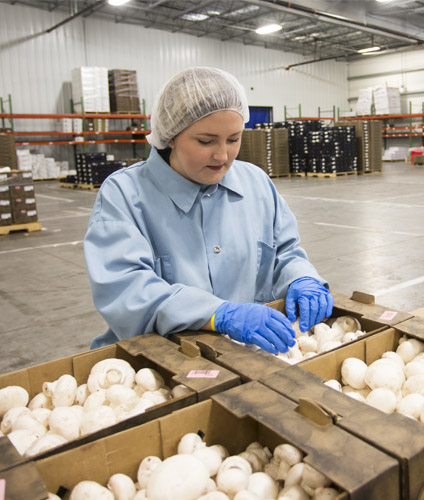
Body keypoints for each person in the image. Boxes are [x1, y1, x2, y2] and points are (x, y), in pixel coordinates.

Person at [84, 67, 333, 353]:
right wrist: (216, 314)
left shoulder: (256, 184)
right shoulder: (125, 195)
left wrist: (301, 277)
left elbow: (284, 253)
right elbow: (125, 290)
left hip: (245, 354)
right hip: (162, 360)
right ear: (171, 135)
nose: (222, 155)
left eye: (234, 139)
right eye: (206, 141)